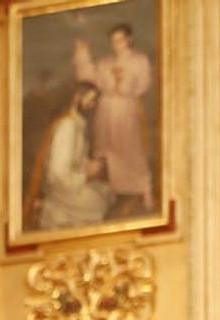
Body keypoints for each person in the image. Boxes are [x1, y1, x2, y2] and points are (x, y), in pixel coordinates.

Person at [74, 21, 154, 216]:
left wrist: (126, 89)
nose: (116, 44)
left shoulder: (139, 60)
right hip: (105, 110)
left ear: (129, 40)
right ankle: (112, 192)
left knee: (130, 149)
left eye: (120, 40)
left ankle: (145, 191)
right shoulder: (105, 63)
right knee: (106, 150)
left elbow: (143, 84)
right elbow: (87, 74)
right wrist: (82, 53)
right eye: (113, 41)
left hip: (126, 110)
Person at [27, 81, 110, 234]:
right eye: (91, 100)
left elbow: (76, 159)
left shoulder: (78, 124)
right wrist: (86, 174)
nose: (93, 105)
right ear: (77, 97)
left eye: (95, 101)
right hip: (61, 188)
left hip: (71, 182)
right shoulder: (67, 126)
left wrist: (90, 164)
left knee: (106, 192)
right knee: (99, 203)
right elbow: (58, 173)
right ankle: (51, 209)